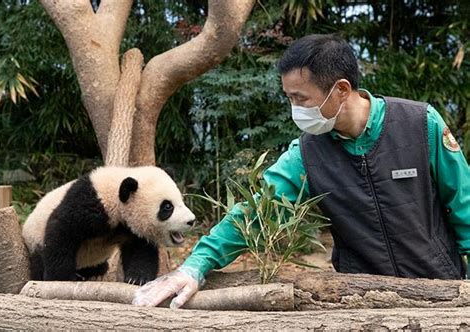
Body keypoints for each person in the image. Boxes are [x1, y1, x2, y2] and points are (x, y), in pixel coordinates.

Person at [132, 33, 470, 308]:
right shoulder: (307, 154)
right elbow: (253, 212)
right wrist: (195, 267)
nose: (295, 109)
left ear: (340, 90)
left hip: (441, 291)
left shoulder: (419, 124)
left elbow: (464, 205)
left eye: (300, 98)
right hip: (365, 299)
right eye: (289, 98)